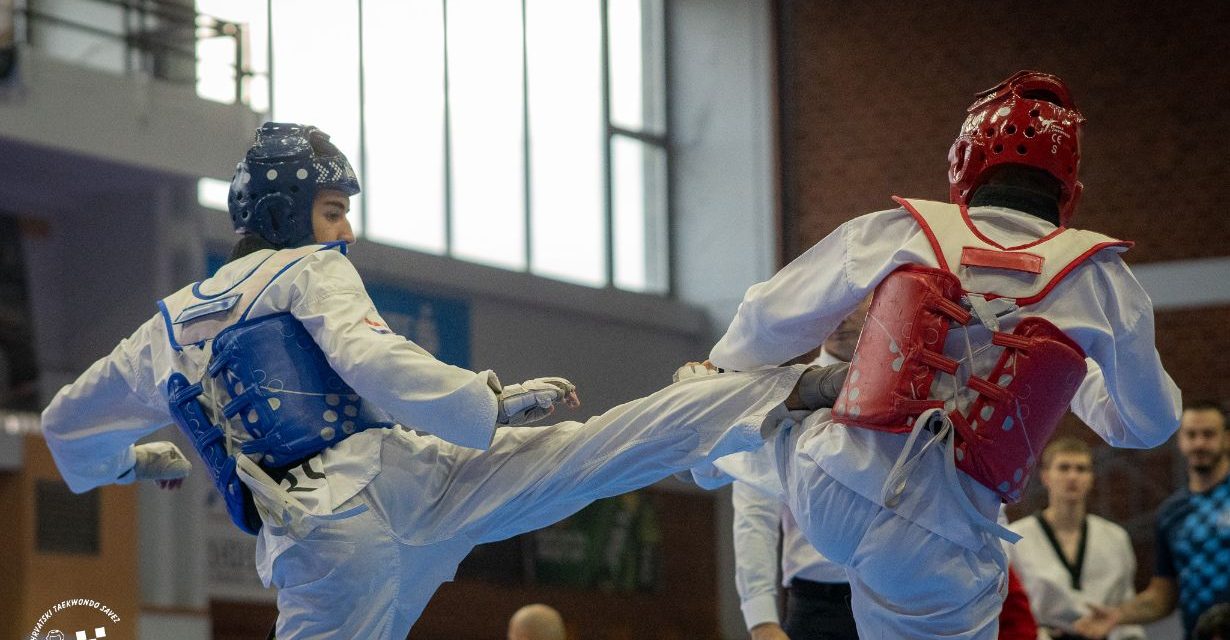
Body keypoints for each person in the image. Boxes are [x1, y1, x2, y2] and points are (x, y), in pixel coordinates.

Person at [40, 122, 849, 640]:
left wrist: (132, 462)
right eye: (331, 210)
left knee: (584, 451)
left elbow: (67, 423)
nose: (345, 230)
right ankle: (772, 392)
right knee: (594, 451)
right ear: (289, 214)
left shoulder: (162, 331)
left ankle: (765, 397)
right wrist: (485, 405)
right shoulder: (306, 269)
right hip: (399, 489)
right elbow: (376, 362)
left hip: (331, 536)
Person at [690, 70, 1181, 639]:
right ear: (1069, 188)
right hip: (944, 541)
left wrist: (721, 376)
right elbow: (1149, 424)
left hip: (835, 488)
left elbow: (762, 318)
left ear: (966, 163)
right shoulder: (1101, 281)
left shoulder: (902, 229)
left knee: (760, 403)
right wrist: (1068, 373)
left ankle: (706, 433)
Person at [733, 303, 867, 640]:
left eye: (852, 304)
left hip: (903, 595)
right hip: (819, 605)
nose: (839, 316)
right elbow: (755, 506)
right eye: (831, 303)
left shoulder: (921, 386)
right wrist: (761, 618)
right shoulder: (784, 395)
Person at [1075, 401, 1230, 639]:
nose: (1199, 443)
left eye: (1208, 434)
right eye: (1191, 434)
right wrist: (1117, 615)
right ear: (1181, 440)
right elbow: (1161, 597)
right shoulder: (1171, 514)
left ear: (1226, 438)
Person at [1009, 437, 1145, 639]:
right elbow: (1009, 611)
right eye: (1064, 468)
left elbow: (1124, 604)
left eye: (1081, 469)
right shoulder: (1015, 538)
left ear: (1091, 478)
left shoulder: (1115, 538)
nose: (1072, 476)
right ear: (1045, 476)